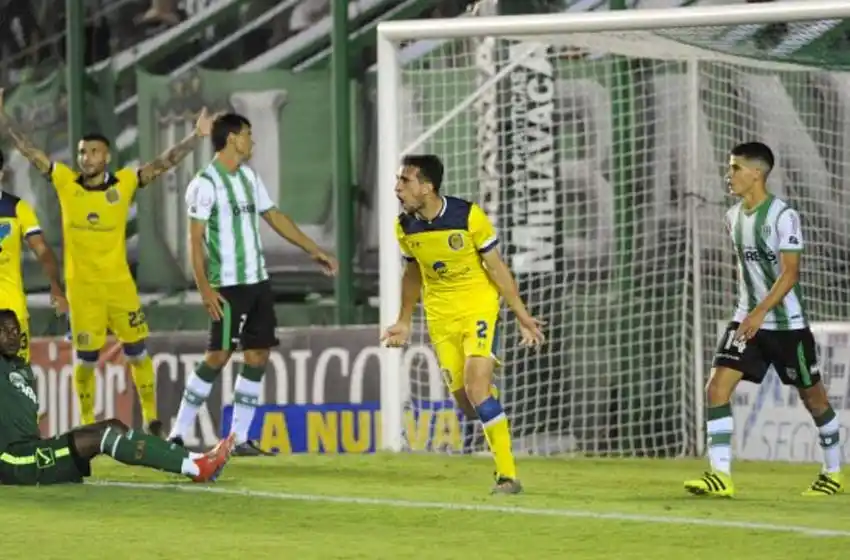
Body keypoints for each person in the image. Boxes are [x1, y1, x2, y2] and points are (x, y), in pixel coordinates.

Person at [0, 87, 216, 436]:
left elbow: (164, 163)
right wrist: (4, 117)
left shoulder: (126, 182)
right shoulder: (65, 182)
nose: (86, 158)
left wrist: (195, 136)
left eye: (94, 152)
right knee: (85, 361)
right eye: (82, 152)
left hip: (119, 287)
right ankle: (87, 423)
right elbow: (28, 150)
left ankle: (152, 419)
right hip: (83, 293)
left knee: (137, 351)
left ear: (107, 156)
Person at [168, 113, 338, 456]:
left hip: (257, 281)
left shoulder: (248, 177)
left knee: (257, 355)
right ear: (232, 139)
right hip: (227, 287)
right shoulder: (205, 183)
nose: (252, 141)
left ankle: (239, 439)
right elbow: (194, 239)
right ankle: (177, 434)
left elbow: (275, 216)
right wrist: (203, 288)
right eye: (248, 134)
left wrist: (313, 249)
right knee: (217, 355)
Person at [685, 142, 842, 497]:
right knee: (716, 389)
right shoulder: (733, 217)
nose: (730, 175)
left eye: (736, 168)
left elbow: (790, 274)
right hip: (746, 321)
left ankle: (834, 472)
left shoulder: (783, 216)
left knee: (814, 400)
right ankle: (720, 476)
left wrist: (760, 312)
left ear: (757, 173)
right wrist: (748, 312)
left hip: (786, 327)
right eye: (730, 168)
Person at [381, 154, 545, 494]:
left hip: (478, 307)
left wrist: (521, 315)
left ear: (427, 187)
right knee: (469, 405)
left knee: (477, 388)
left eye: (405, 181)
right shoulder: (404, 226)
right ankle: (488, 400)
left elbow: (497, 269)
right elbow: (412, 273)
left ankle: (507, 476)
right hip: (441, 318)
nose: (397, 187)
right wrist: (403, 320)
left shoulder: (468, 216)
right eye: (398, 180)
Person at [0, 308, 234, 485]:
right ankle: (196, 468)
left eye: (14, 331)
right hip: (14, 461)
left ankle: (194, 458)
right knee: (104, 436)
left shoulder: (21, 369)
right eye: (3, 331)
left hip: (32, 450)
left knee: (112, 425)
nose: (11, 336)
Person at [0, 148, 67, 362]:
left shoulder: (17, 208)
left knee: (17, 383)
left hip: (11, 313)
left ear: (2, 173)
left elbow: (41, 249)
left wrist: (56, 286)